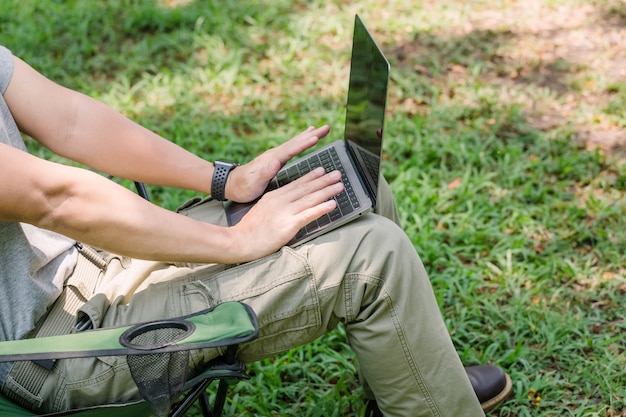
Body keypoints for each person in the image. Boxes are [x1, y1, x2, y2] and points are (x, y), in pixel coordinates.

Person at [0, 45, 511, 416]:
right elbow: (55, 200)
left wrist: (224, 179)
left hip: (91, 272)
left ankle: (418, 390)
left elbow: (68, 120)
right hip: (47, 350)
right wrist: (235, 242)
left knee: (352, 188)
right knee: (373, 255)